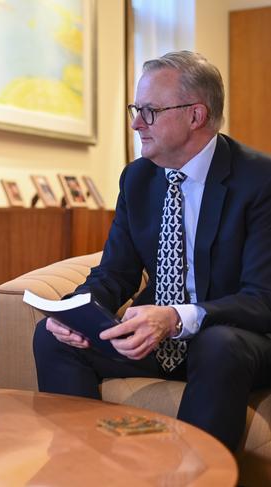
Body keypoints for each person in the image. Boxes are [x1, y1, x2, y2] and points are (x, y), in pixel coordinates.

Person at [33, 51, 271, 452]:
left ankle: (198, 479)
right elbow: (115, 273)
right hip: (157, 336)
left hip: (238, 338)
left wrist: (177, 318)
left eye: (149, 111)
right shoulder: (138, 178)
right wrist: (73, 311)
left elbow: (262, 299)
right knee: (53, 338)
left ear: (195, 115)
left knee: (218, 345)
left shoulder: (259, 180)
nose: (135, 123)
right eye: (135, 109)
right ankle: (84, 470)